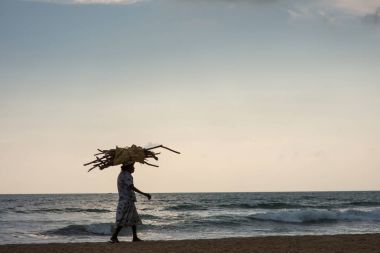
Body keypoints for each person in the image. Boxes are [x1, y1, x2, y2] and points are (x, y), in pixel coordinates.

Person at [109, 161, 151, 243]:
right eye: (132, 166)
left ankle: (135, 237)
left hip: (126, 200)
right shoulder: (127, 175)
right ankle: (114, 236)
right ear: (128, 167)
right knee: (123, 219)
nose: (134, 168)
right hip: (126, 200)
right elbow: (131, 187)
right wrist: (144, 194)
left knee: (133, 218)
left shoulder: (122, 174)